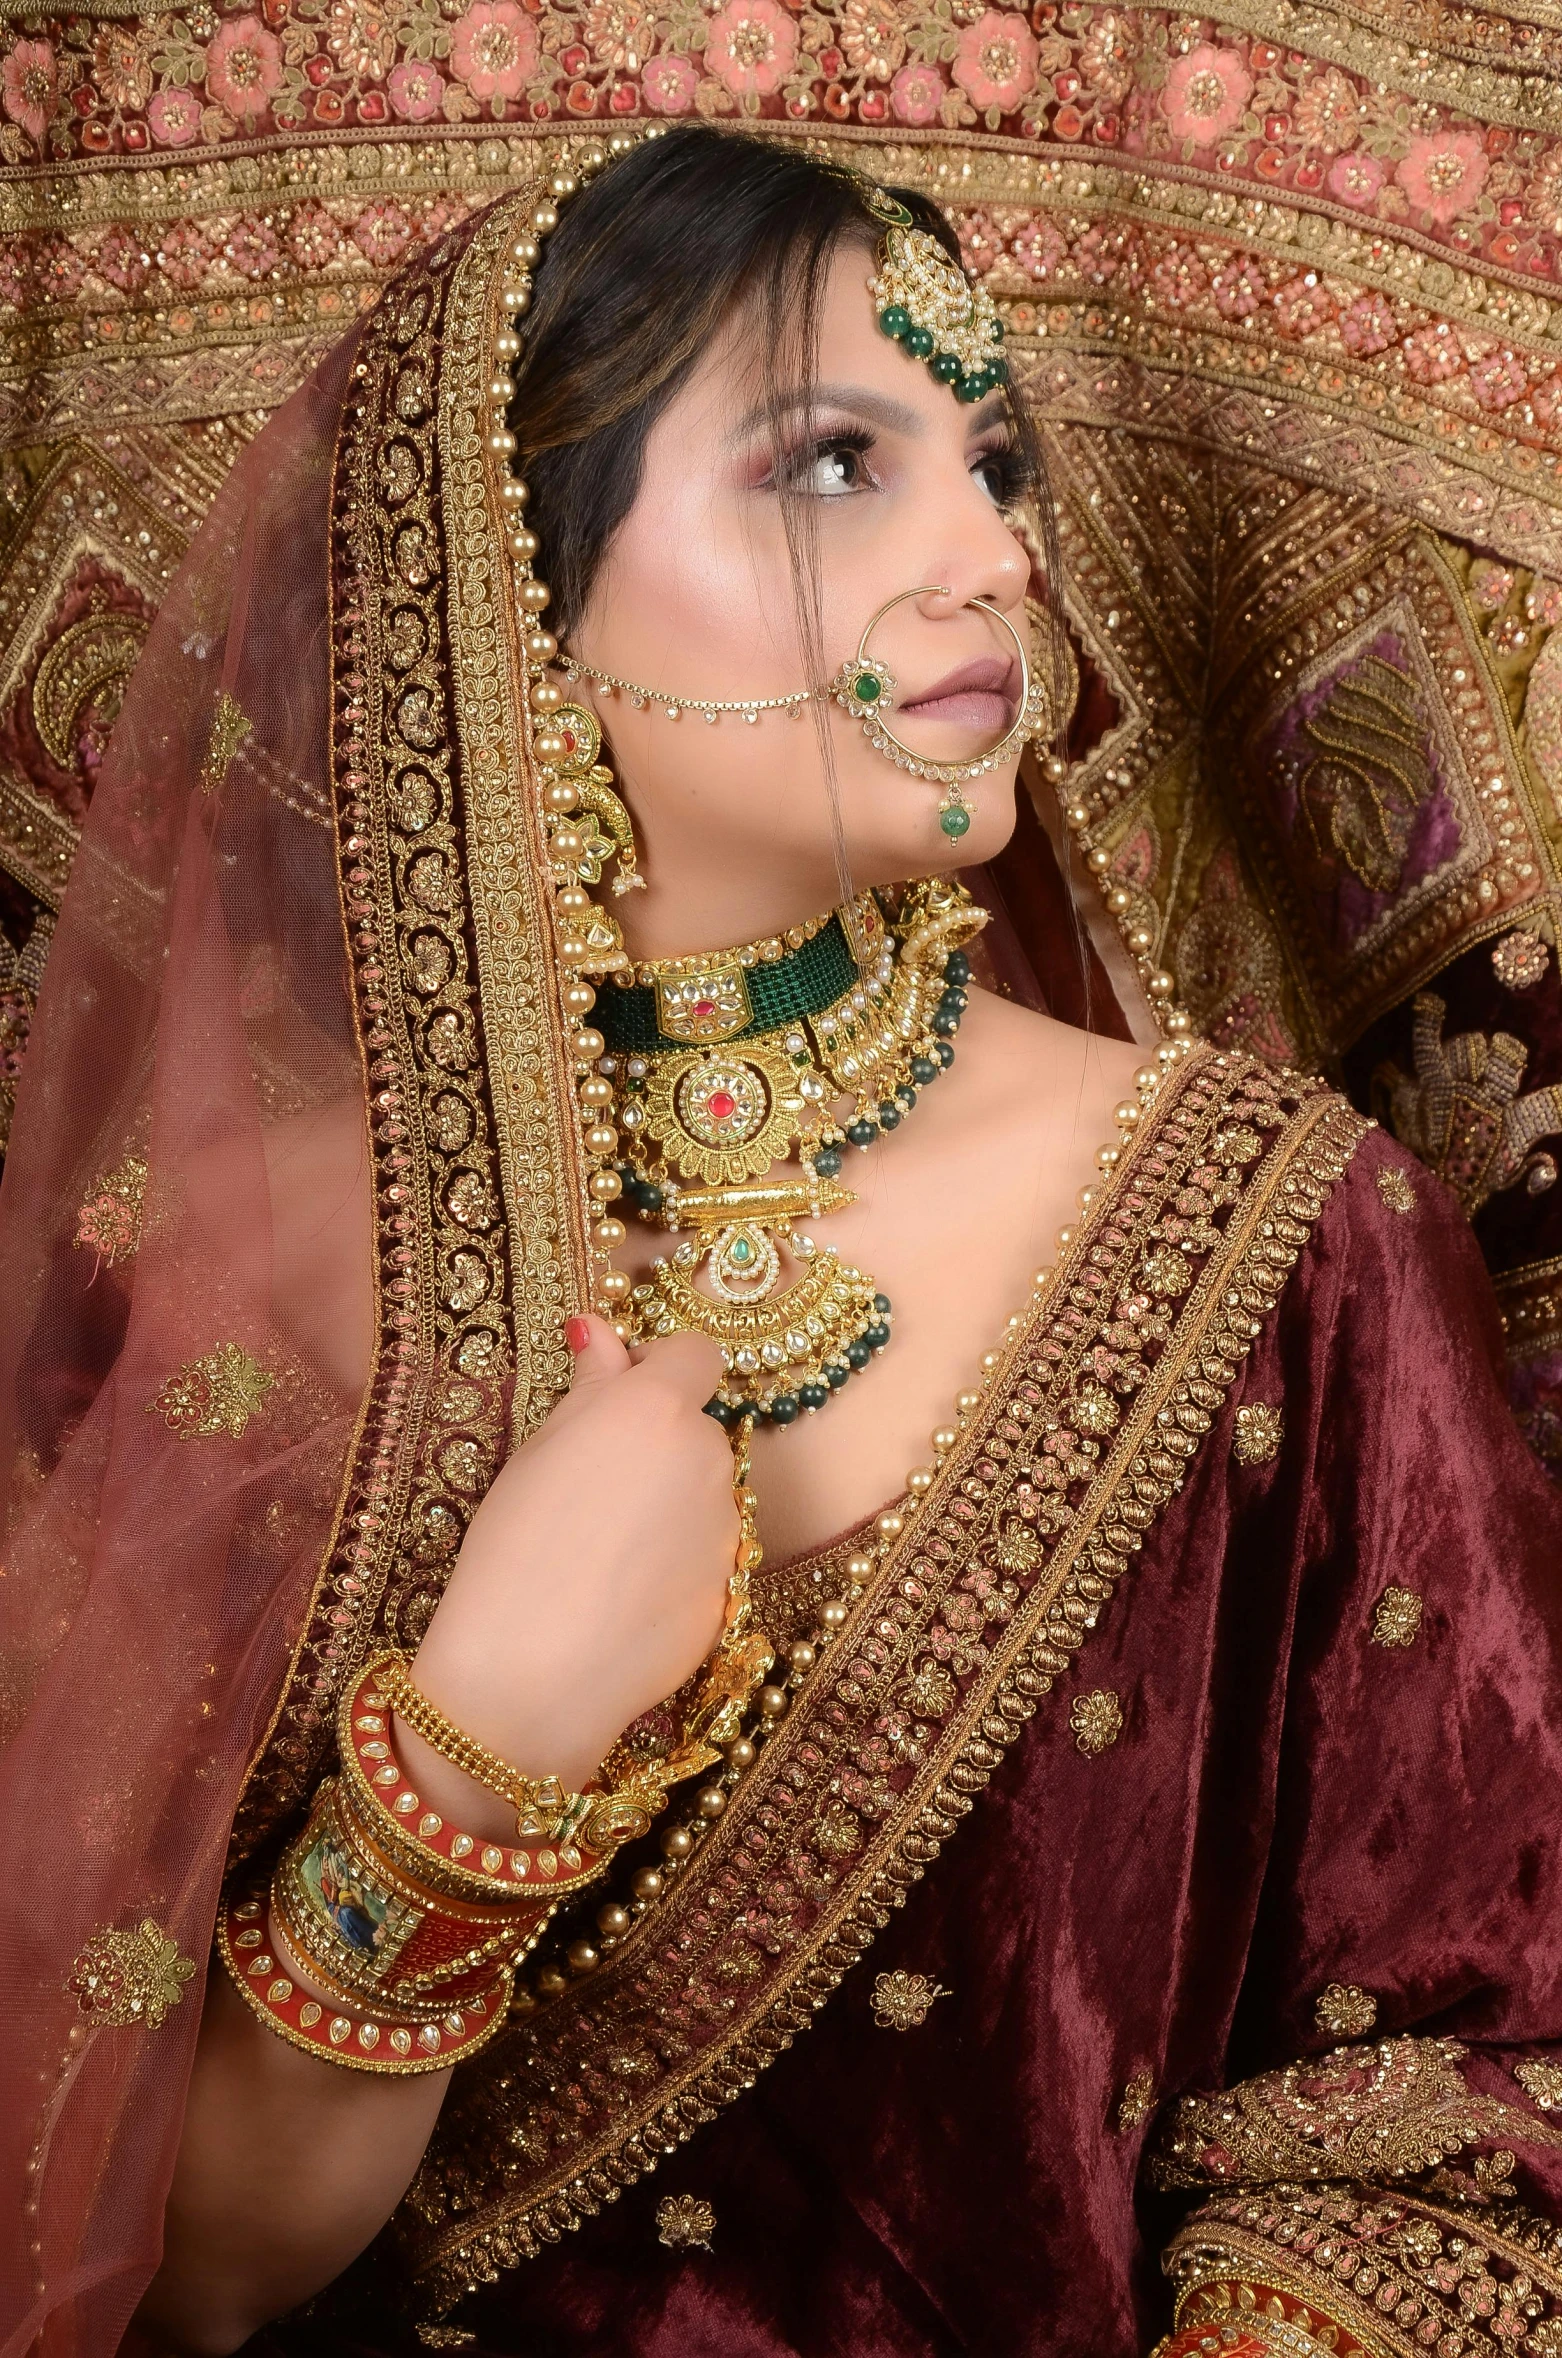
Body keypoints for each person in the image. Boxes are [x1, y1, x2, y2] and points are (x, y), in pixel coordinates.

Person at [3, 126, 1561, 2358]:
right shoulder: (191, 1274)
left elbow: (1456, 2106)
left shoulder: (1278, 1232)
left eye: (990, 458)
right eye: (833, 465)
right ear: (508, 587)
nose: (993, 559)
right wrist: (480, 1744)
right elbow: (181, 2266)